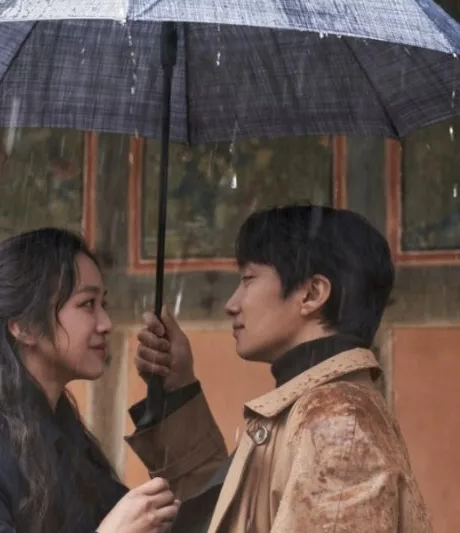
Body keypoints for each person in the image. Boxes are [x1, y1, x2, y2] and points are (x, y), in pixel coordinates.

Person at [127, 205, 432, 533]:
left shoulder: (339, 425)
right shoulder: (319, 409)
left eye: (248, 279)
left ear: (312, 294)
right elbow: (231, 518)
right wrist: (178, 388)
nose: (232, 304)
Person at [0, 227, 181, 533]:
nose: (106, 323)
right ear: (24, 326)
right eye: (87, 304)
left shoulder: (58, 437)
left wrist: (177, 387)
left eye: (103, 305)